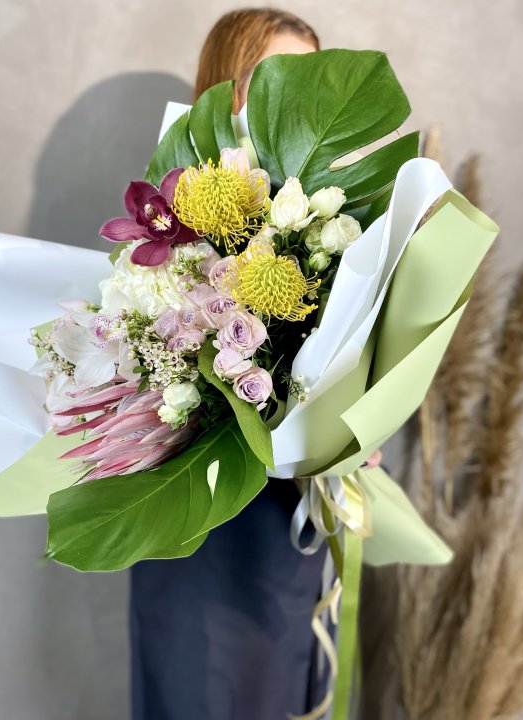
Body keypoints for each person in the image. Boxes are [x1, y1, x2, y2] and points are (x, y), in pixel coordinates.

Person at [129, 10, 381, 719]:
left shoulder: (327, 221)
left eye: (311, 77)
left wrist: (359, 423)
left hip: (292, 520)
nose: (298, 97)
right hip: (202, 521)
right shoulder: (171, 224)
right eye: (277, 77)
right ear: (229, 83)